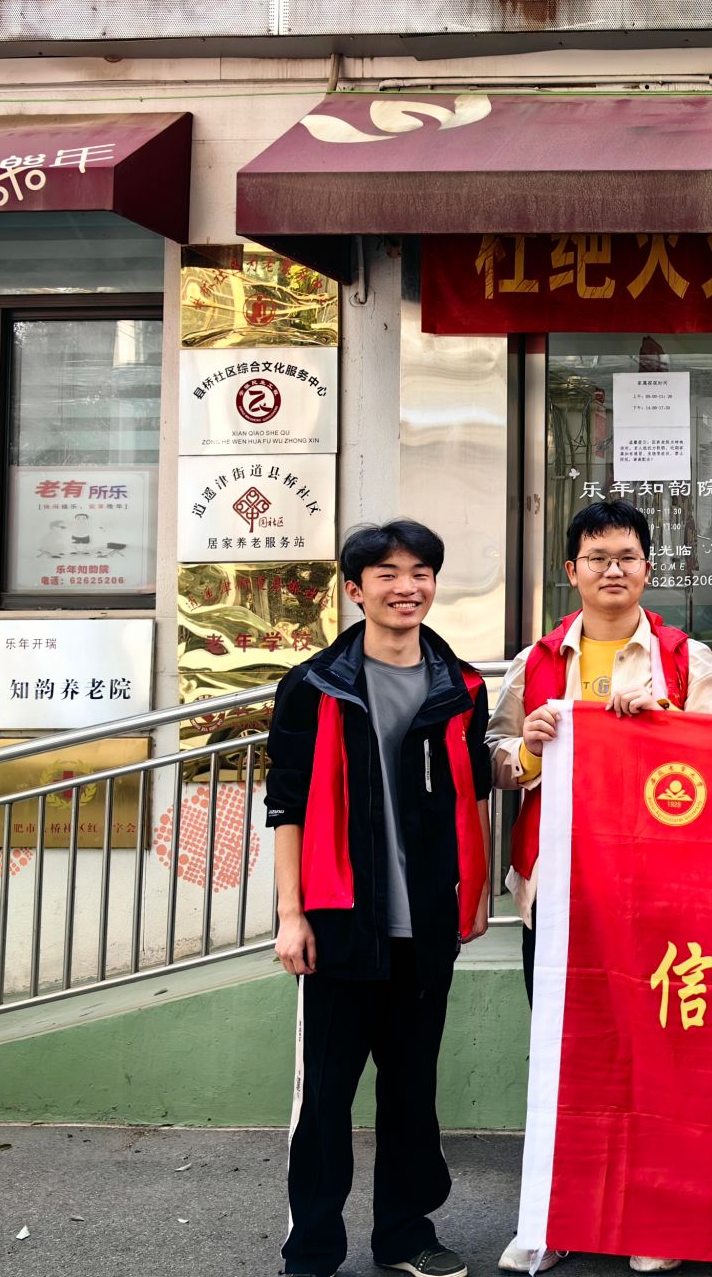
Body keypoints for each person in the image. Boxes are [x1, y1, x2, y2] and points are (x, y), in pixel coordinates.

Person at [487, 499, 712, 1275]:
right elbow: (495, 760)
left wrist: (664, 726)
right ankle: (554, 1217)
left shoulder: (684, 658)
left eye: (626, 557)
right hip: (557, 891)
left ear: (648, 568)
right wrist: (529, 748)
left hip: (658, 891)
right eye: (597, 558)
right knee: (562, 1055)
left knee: (656, 1054)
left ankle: (655, 1217)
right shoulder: (535, 662)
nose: (613, 570)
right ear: (572, 571)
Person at [265, 520, 492, 1277]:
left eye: (420, 572)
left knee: (411, 1093)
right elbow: (286, 804)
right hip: (339, 922)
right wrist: (291, 915)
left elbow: (473, 793)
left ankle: (405, 1234)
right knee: (326, 1099)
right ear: (355, 590)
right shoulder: (314, 685)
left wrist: (475, 891)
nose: (406, 587)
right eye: (387, 574)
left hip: (424, 922)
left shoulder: (460, 686)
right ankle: (312, 1249)